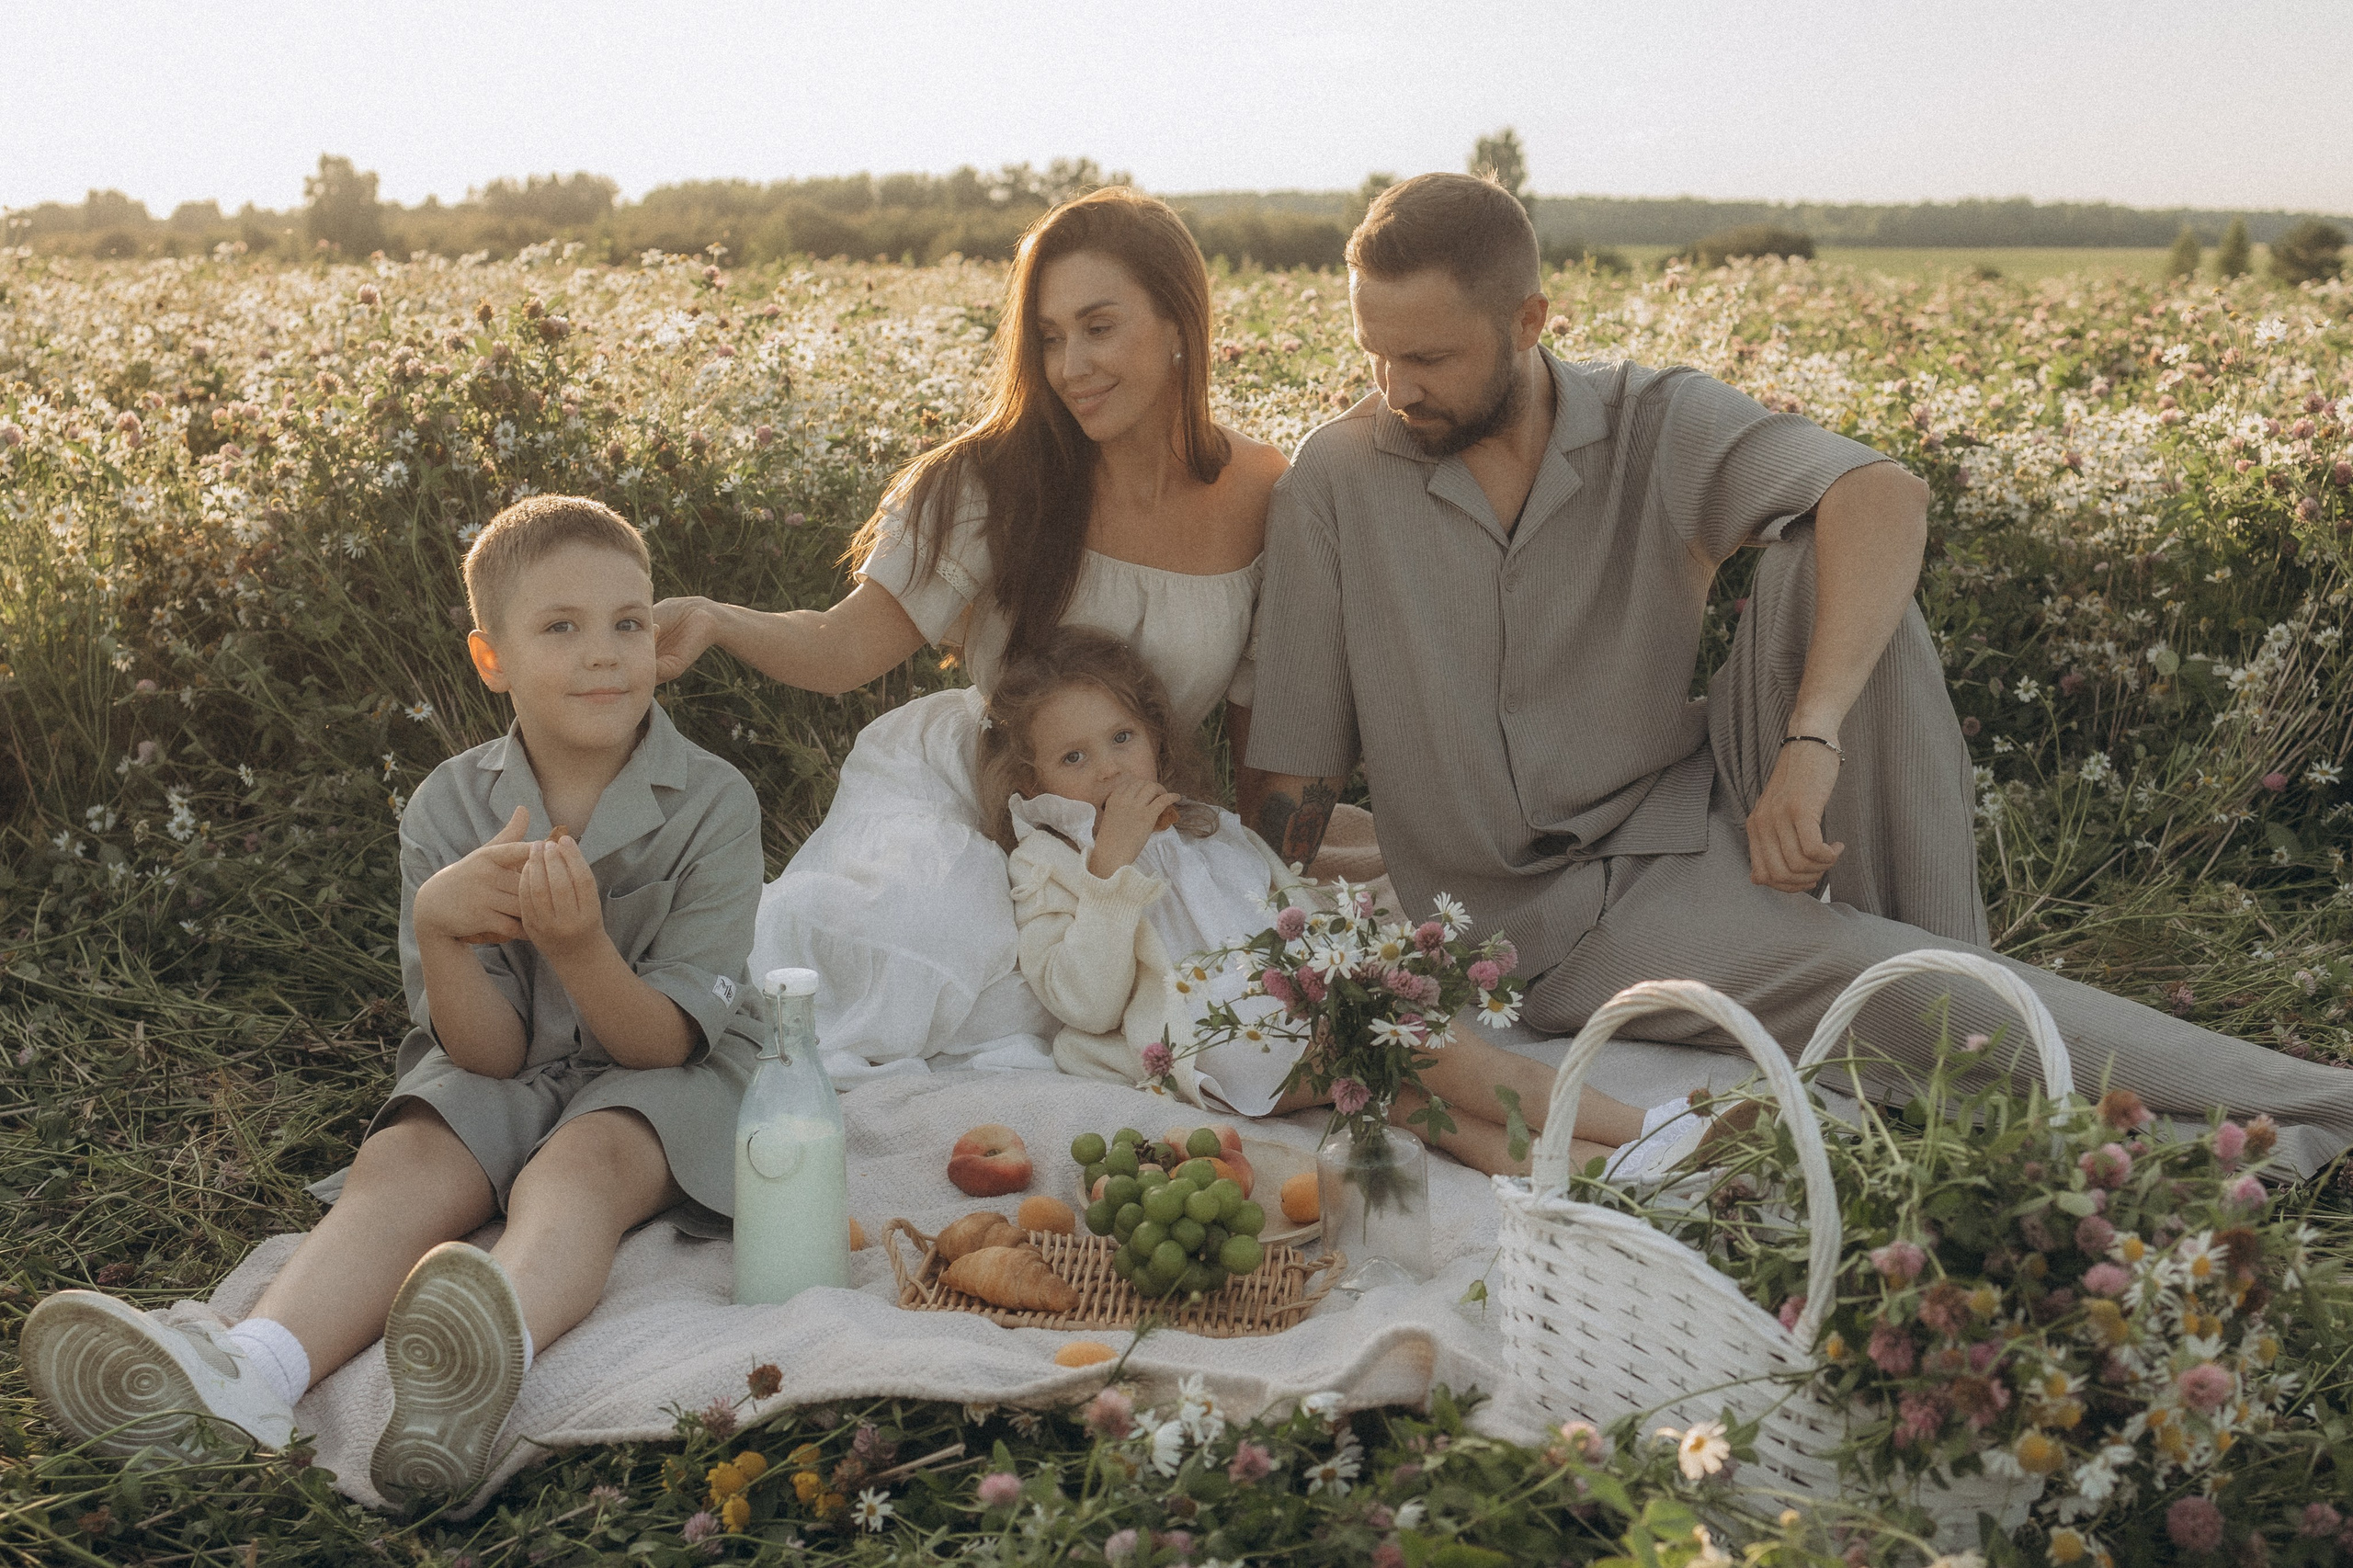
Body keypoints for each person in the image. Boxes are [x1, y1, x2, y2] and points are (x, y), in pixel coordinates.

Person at [1241, 173, 2353, 1177]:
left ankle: (1926, 956)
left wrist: (1807, 741)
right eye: (1373, 352)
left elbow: (1885, 494)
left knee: (1822, 543)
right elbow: (1289, 771)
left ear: (1530, 322)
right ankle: (2315, 1109)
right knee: (1922, 994)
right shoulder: (1336, 479)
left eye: (1427, 357)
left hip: (1693, 804)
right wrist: (1272, 954)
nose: (1394, 386)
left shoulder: (1648, 417)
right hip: (1563, 919)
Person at [22, 496, 768, 1501]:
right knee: (408, 1157)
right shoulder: (449, 804)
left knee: (581, 1168)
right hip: (511, 1057)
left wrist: (581, 945)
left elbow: (663, 1035)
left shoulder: (714, 798)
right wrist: (437, 928)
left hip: (660, 1069)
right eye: (561, 626)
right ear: (488, 657)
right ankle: (253, 1370)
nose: (606, 653)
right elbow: (489, 1053)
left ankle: (479, 1354)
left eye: (628, 621)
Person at [651, 187, 1286, 1081]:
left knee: (1228, 1002)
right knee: (921, 944)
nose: (1070, 365)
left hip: (1134, 804)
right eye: (1050, 336)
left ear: (1181, 321)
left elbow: (1266, 752)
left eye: (1098, 327)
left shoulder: (1262, 492)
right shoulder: (993, 479)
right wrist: (716, 619)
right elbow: (843, 649)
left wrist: (1264, 892)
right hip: (978, 784)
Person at [983, 623, 1699, 1177]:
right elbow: (1084, 1004)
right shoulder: (1049, 864)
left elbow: (1287, 914)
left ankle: (1602, 1171)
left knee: (1413, 1099)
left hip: (1298, 1005)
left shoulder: (1204, 826)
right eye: (1074, 757)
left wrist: (1354, 965)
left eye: (1121, 738)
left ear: (1155, 739)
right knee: (1448, 1054)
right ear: (1032, 776)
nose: (1109, 767)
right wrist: (1111, 870)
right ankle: (1656, 1128)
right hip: (1222, 1039)